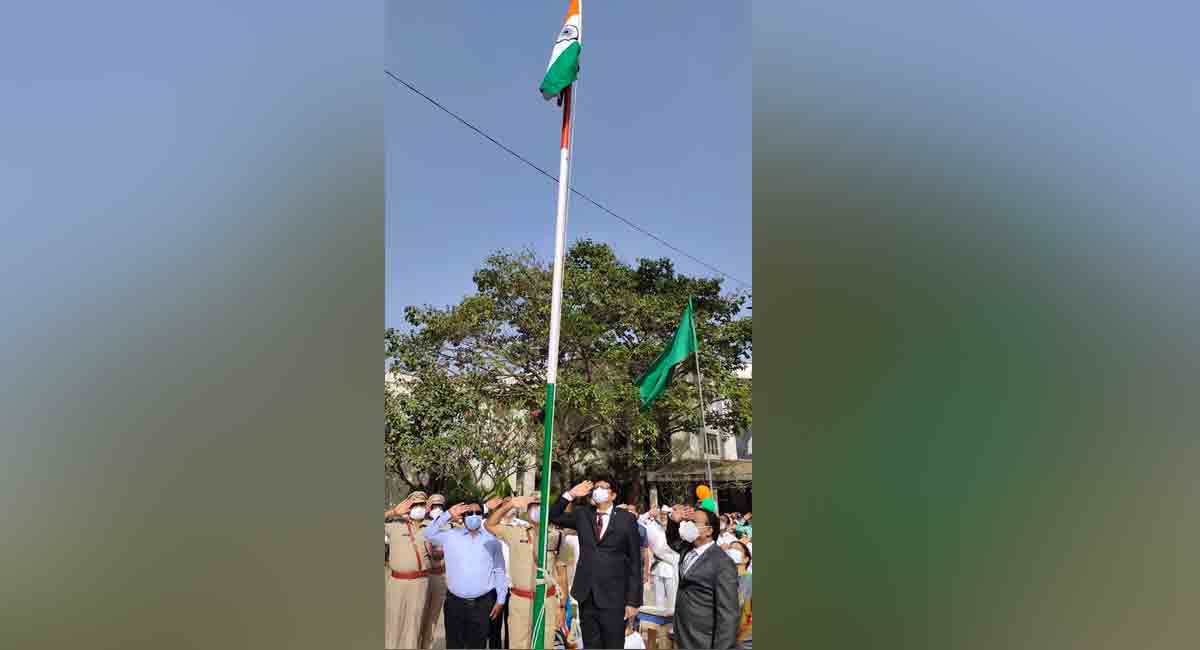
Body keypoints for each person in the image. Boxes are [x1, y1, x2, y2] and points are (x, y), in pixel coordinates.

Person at [549, 478, 643, 650]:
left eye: (603, 488)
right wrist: (570, 494)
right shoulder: (583, 514)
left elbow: (635, 562)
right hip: (587, 595)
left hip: (614, 598)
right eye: (596, 487)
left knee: (613, 645)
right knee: (591, 645)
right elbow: (553, 516)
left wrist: (633, 601)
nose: (598, 490)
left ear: (613, 495)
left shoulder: (626, 519)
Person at [485, 495, 574, 649]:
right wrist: (510, 504)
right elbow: (490, 525)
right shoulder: (515, 532)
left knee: (544, 644)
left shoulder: (557, 537)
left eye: (541, 505)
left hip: (547, 600)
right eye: (533, 505)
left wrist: (562, 607)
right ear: (527, 510)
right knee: (519, 645)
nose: (537, 509)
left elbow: (561, 574)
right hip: (520, 601)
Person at [425, 501, 509, 650]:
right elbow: (428, 534)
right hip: (454, 603)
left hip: (482, 604)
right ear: (462, 517)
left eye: (478, 513)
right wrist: (448, 514)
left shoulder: (492, 540)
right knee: (454, 645)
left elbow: (499, 570)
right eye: (469, 513)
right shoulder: (450, 536)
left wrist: (501, 599)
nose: (474, 516)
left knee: (477, 645)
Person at [664, 505, 739, 649]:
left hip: (704, 639)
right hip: (683, 633)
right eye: (688, 521)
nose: (688, 525)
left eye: (694, 522)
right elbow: (673, 540)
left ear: (709, 530)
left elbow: (728, 614)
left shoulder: (722, 563)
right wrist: (674, 520)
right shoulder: (688, 549)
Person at [385, 492, 432, 650]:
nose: (417, 508)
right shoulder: (394, 526)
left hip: (420, 583)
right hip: (397, 582)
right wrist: (393, 512)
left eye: (421, 504)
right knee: (393, 622)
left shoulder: (432, 527)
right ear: (407, 506)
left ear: (426, 507)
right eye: (414, 504)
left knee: (414, 623)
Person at [419, 493, 451, 649]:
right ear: (428, 507)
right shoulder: (421, 524)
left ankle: (427, 645)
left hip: (441, 576)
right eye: (434, 506)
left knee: (433, 617)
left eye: (440, 506)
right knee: (419, 614)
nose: (437, 509)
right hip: (424, 576)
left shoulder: (449, 526)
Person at [726, 541, 752, 650]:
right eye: (730, 549)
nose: (732, 551)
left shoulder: (750, 581)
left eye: (737, 549)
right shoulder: (724, 581)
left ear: (746, 559)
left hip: (744, 641)